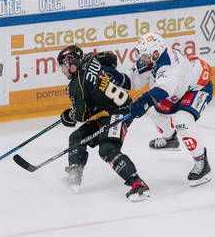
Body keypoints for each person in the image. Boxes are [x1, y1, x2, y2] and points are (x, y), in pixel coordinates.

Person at [105, 32, 213, 187]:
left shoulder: (169, 64)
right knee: (155, 111)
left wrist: (142, 102)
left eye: (144, 56)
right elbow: (132, 80)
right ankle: (170, 139)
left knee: (182, 120)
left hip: (197, 88)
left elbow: (162, 91)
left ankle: (202, 162)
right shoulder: (151, 59)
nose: (142, 59)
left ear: (155, 53)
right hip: (176, 92)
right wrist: (115, 77)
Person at [57, 45, 151, 202]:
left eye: (63, 67)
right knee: (76, 138)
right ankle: (75, 172)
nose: (62, 71)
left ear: (73, 65)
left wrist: (68, 116)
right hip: (109, 110)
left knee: (107, 149)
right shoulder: (90, 59)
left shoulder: (76, 86)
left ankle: (138, 183)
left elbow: (81, 115)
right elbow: (111, 58)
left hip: (120, 112)